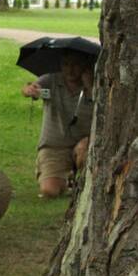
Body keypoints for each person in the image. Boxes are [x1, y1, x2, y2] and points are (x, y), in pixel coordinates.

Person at [21, 52, 94, 198]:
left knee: (83, 150)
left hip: (84, 143)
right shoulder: (51, 79)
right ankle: (65, 179)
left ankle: (82, 179)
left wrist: (90, 87)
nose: (70, 69)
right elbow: (30, 88)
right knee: (49, 191)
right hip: (55, 146)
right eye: (66, 64)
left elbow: (103, 110)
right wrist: (30, 90)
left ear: (85, 66)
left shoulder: (95, 83)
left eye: (75, 64)